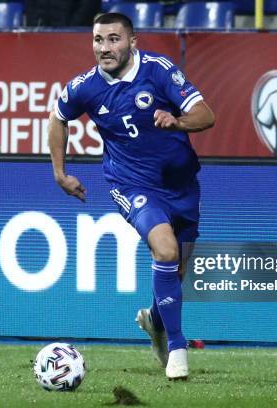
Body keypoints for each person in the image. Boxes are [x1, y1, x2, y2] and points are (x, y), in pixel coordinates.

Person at [48, 12, 214, 380]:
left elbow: (206, 115)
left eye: (113, 39)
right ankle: (176, 346)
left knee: (177, 268)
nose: (104, 48)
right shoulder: (85, 87)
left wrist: (178, 121)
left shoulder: (159, 70)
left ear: (132, 41)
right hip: (132, 184)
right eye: (97, 40)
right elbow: (58, 117)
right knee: (166, 250)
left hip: (182, 185)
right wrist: (60, 174)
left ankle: (156, 320)